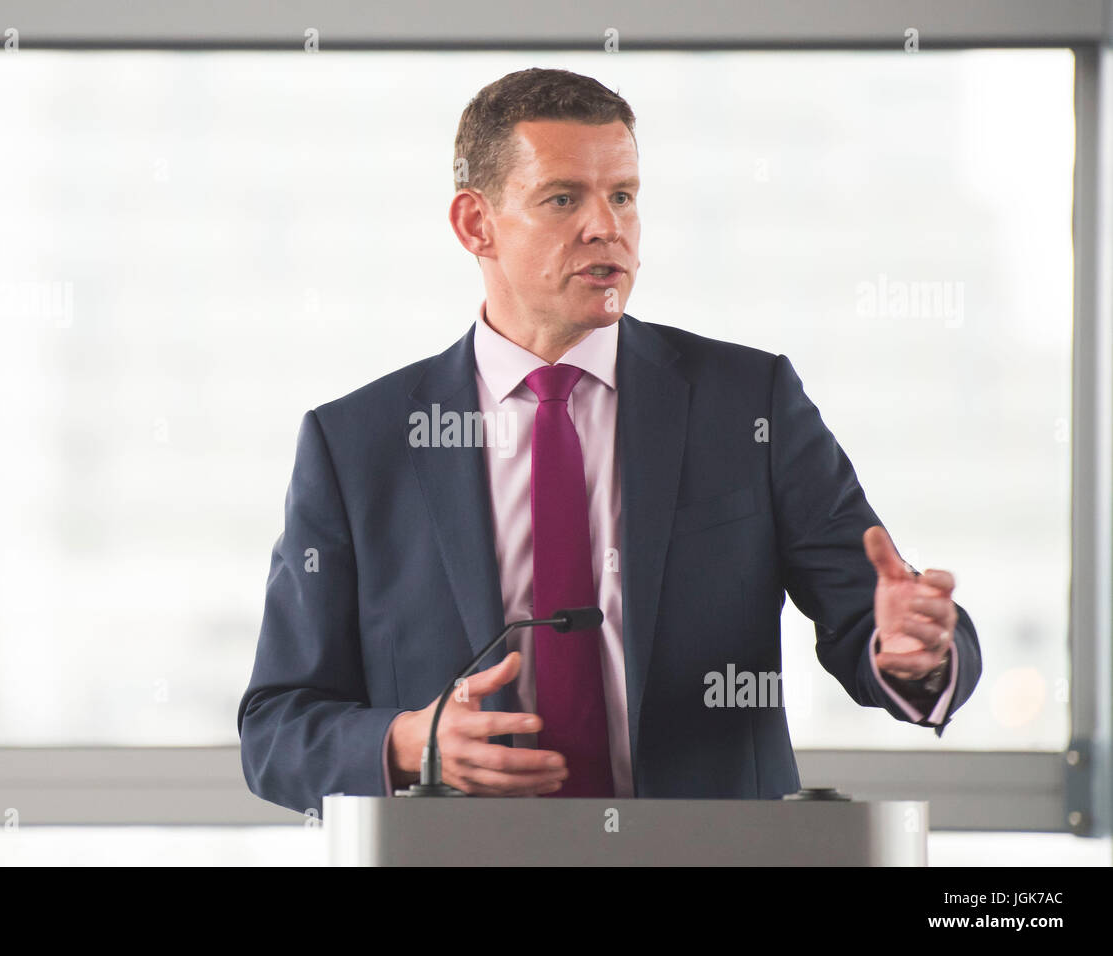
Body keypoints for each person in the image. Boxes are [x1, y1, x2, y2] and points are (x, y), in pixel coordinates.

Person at [236, 67, 981, 815]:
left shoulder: (748, 402)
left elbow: (875, 616)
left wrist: (913, 650)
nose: (607, 226)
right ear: (475, 224)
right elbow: (276, 727)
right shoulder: (358, 444)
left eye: (622, 195)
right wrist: (409, 741)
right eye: (564, 198)